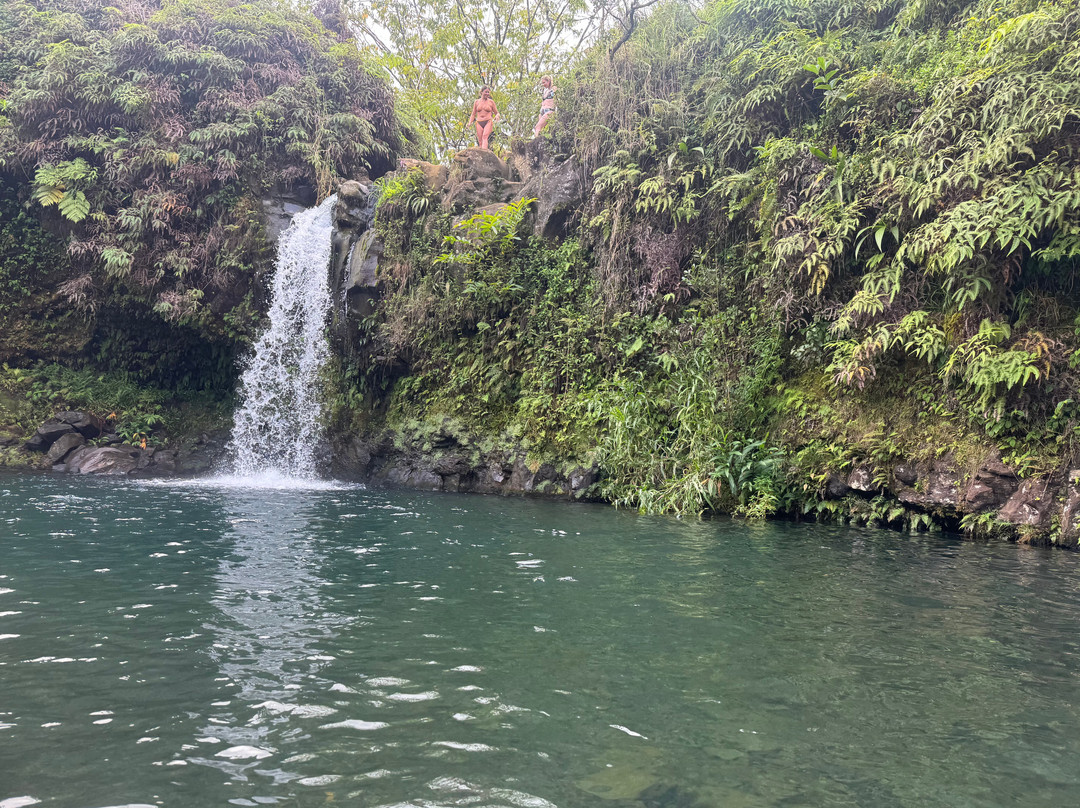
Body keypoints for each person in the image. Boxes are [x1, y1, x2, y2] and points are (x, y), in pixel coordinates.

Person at [468, 86, 500, 150]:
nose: (487, 94)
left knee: (485, 137)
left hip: (488, 121)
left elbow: (497, 113)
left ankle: (484, 151)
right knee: (480, 141)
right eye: (486, 92)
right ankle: (481, 156)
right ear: (481, 92)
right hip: (479, 122)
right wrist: (469, 123)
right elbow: (473, 114)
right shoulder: (476, 102)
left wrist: (497, 116)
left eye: (488, 92)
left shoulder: (491, 102)